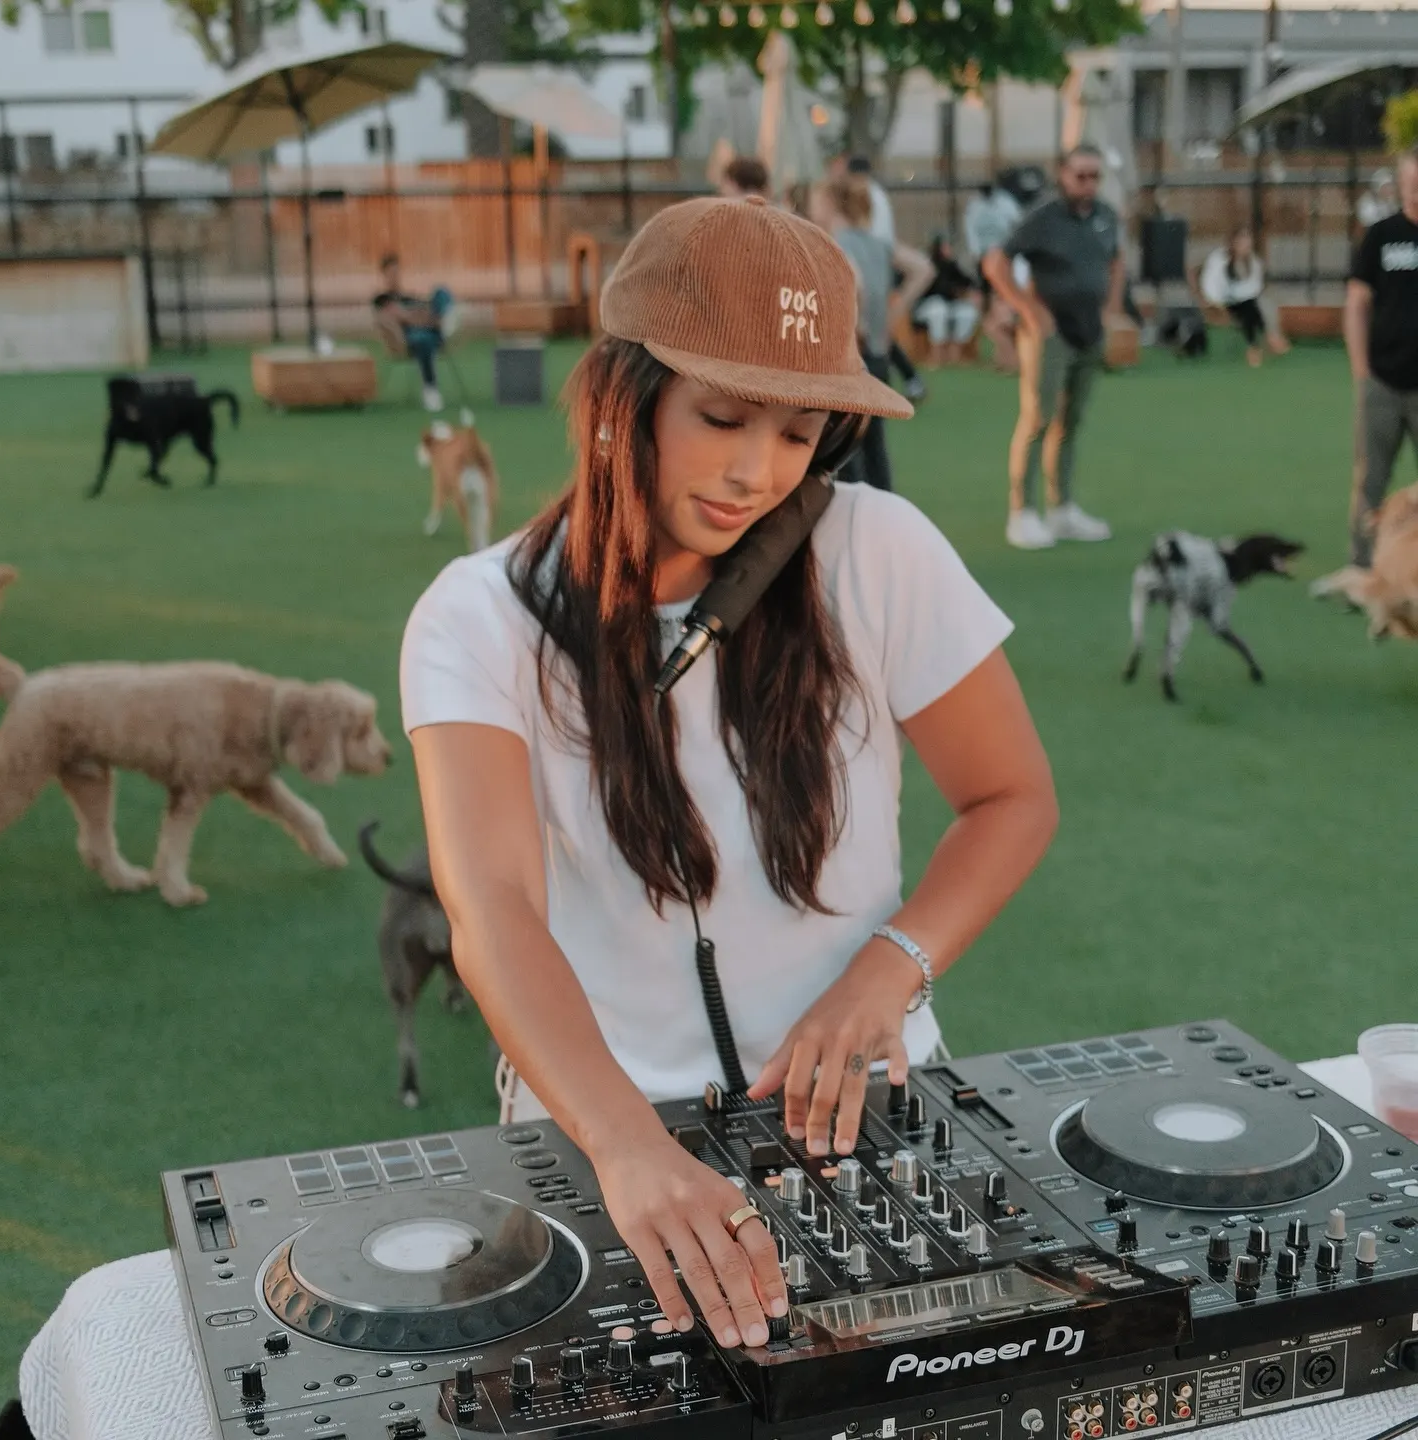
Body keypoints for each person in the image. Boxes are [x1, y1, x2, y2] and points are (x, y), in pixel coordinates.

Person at [400, 194, 1057, 1354]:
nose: (757, 471)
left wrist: (885, 973)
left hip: (870, 1113)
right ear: (622, 395)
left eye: (799, 432)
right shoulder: (476, 617)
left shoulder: (881, 550)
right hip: (597, 1134)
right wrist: (626, 1147)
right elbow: (492, 909)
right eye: (722, 416)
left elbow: (1011, 800)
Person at [984, 145, 1123, 550]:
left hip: (1089, 330)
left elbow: (1117, 260)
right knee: (1038, 418)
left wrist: (1112, 307)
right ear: (1063, 176)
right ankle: (1021, 512)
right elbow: (995, 263)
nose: (1088, 184)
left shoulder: (1106, 216)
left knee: (1071, 421)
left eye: (1095, 176)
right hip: (1050, 332)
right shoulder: (1044, 217)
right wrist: (1027, 310)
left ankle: (1061, 508)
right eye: (1080, 176)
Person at [809, 175, 935, 490]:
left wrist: (854, 326)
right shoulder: (877, 243)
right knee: (875, 444)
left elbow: (856, 283)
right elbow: (923, 268)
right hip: (878, 355)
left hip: (853, 355)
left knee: (845, 448)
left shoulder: (833, 242)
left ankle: (854, 520)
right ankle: (885, 513)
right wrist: (893, 314)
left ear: (828, 203)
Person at [1344, 145, 1418, 568]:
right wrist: (1361, 371)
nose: (1416, 194)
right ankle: (1363, 565)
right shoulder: (1381, 236)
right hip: (1383, 383)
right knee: (1371, 479)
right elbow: (1356, 302)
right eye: (1411, 186)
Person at [844, 154, 927, 403]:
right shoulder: (877, 193)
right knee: (878, 335)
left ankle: (909, 380)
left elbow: (877, 236)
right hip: (878, 265)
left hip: (871, 266)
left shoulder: (863, 196)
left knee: (872, 334)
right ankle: (911, 380)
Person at [373, 254, 459, 412]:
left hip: (427, 328)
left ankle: (444, 324)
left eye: (397, 272)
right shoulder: (382, 298)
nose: (395, 276)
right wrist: (421, 318)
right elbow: (403, 317)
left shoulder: (408, 296)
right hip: (408, 337)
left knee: (441, 291)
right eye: (391, 272)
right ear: (384, 274)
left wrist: (419, 316)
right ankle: (430, 389)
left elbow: (422, 311)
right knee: (423, 339)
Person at [1195, 225, 1289, 368]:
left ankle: (1256, 346)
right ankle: (1269, 338)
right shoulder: (1220, 259)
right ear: (1233, 242)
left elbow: (1254, 287)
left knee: (1255, 305)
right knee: (1249, 307)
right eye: (1242, 241)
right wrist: (1213, 301)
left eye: (1247, 241)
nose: (1245, 244)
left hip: (1247, 301)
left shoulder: (1253, 261)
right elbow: (1211, 283)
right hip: (1224, 301)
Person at [964, 182, 1024, 371]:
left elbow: (1015, 224)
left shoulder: (1006, 204)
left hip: (1004, 263)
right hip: (986, 257)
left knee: (999, 322)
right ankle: (1004, 358)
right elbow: (971, 230)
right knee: (992, 320)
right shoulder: (975, 206)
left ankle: (1011, 360)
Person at [911, 234, 981, 366]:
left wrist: (969, 293)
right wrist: (953, 291)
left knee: (967, 312)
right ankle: (936, 353)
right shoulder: (928, 265)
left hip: (949, 305)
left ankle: (956, 352)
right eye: (945, 246)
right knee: (939, 309)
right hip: (926, 307)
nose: (949, 249)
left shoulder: (952, 265)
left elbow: (969, 282)